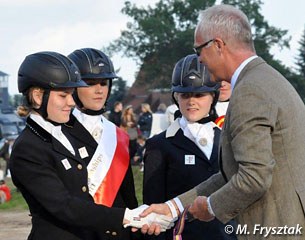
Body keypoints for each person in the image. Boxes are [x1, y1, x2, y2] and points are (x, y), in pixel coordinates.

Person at [141, 4, 305, 239]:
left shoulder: (250, 90)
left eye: (199, 50)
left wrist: (208, 208)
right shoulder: (268, 79)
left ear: (217, 45)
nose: (199, 59)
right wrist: (174, 207)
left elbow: (254, 179)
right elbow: (234, 173)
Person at [9, 51, 172, 240]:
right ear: (38, 97)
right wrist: (128, 217)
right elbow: (64, 205)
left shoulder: (60, 133)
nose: (71, 102)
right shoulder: (27, 148)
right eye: (63, 95)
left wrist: (138, 220)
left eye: (71, 94)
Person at [143, 54, 236, 240]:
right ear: (176, 97)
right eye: (185, 95)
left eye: (199, 95)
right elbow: (154, 211)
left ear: (213, 97)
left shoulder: (229, 140)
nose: (191, 101)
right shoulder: (159, 145)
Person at [64, 48, 143, 240]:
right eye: (90, 83)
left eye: (104, 83)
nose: (99, 90)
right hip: (78, 232)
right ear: (73, 87)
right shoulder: (59, 132)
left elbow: (128, 197)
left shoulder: (118, 135)